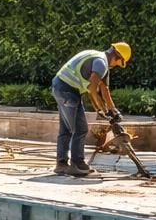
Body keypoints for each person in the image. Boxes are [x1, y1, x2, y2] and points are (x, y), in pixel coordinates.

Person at [51, 43, 131, 176]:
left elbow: (104, 90)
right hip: (67, 90)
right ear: (118, 57)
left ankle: (61, 165)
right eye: (119, 63)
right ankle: (77, 164)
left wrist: (112, 109)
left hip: (60, 87)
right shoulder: (101, 63)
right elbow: (92, 89)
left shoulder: (101, 61)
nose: (116, 65)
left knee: (66, 129)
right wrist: (103, 110)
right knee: (80, 129)